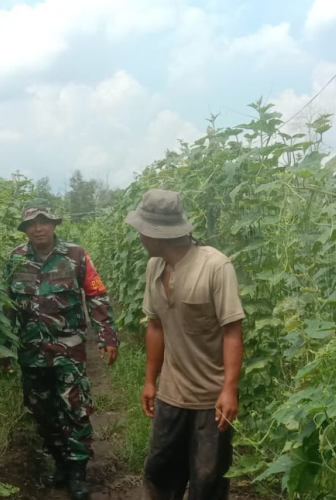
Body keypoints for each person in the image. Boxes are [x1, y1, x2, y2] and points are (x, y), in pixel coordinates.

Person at [125, 189, 245, 500]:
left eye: (141, 230)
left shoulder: (215, 267)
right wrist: (151, 381)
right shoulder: (155, 267)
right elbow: (155, 325)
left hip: (211, 400)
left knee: (208, 480)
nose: (138, 236)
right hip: (171, 394)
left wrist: (229, 389)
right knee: (160, 473)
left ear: (157, 234)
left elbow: (232, 330)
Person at [3, 198, 119, 500]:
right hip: (31, 351)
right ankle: (60, 461)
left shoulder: (76, 256)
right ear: (25, 228)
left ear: (54, 224)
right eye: (31, 224)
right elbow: (6, 308)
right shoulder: (14, 260)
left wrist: (107, 337)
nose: (37, 228)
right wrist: (2, 348)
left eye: (43, 221)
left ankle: (78, 471)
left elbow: (97, 295)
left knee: (74, 407)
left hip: (69, 349)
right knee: (41, 410)